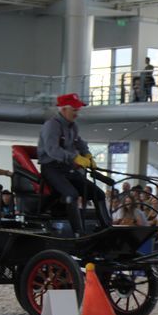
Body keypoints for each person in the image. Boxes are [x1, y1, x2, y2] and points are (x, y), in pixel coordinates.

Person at [38, 93, 113, 236]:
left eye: (78, 109)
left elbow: (79, 142)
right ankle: (78, 233)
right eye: (75, 109)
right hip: (51, 168)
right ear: (64, 109)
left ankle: (106, 228)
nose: (77, 113)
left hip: (67, 168)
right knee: (71, 194)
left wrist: (87, 154)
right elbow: (52, 150)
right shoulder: (51, 126)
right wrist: (75, 158)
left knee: (99, 194)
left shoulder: (73, 127)